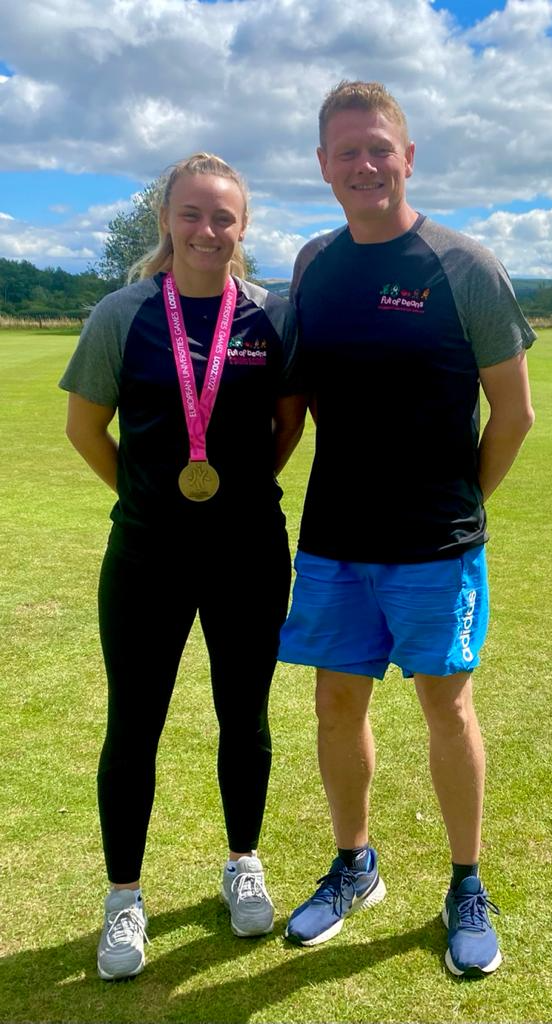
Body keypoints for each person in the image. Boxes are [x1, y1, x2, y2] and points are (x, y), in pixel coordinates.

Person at [278, 81, 535, 977]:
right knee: (336, 705)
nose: (365, 164)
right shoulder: (313, 263)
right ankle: (356, 866)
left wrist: (464, 502)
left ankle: (467, 883)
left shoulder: (464, 265)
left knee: (445, 706)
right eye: (346, 151)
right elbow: (297, 399)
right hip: (335, 542)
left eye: (379, 147)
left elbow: (513, 414)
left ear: (409, 155)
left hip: (436, 545)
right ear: (323, 167)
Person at [59, 152, 304, 980]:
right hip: (147, 555)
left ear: (243, 227)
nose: (207, 230)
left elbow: (287, 423)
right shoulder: (121, 314)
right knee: (135, 725)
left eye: (224, 217)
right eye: (192, 213)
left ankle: (244, 862)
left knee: (248, 717)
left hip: (248, 555)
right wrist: (149, 493)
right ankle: (124, 898)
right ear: (166, 218)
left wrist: (236, 493)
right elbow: (86, 429)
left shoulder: (271, 315)